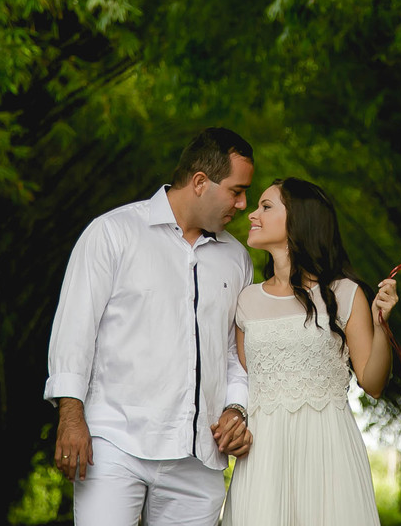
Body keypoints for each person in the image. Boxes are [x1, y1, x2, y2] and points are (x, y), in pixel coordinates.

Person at [43, 126, 257, 525]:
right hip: (114, 444)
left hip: (199, 458)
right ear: (199, 182)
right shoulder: (113, 233)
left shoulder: (237, 259)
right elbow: (75, 329)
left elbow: (234, 353)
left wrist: (236, 407)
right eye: (236, 190)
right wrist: (71, 417)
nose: (244, 204)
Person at [221, 177, 400, 526]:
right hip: (264, 455)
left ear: (299, 220)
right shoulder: (246, 300)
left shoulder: (345, 293)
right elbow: (243, 378)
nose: (251, 214)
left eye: (266, 206)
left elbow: (374, 383)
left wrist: (381, 325)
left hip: (327, 452)